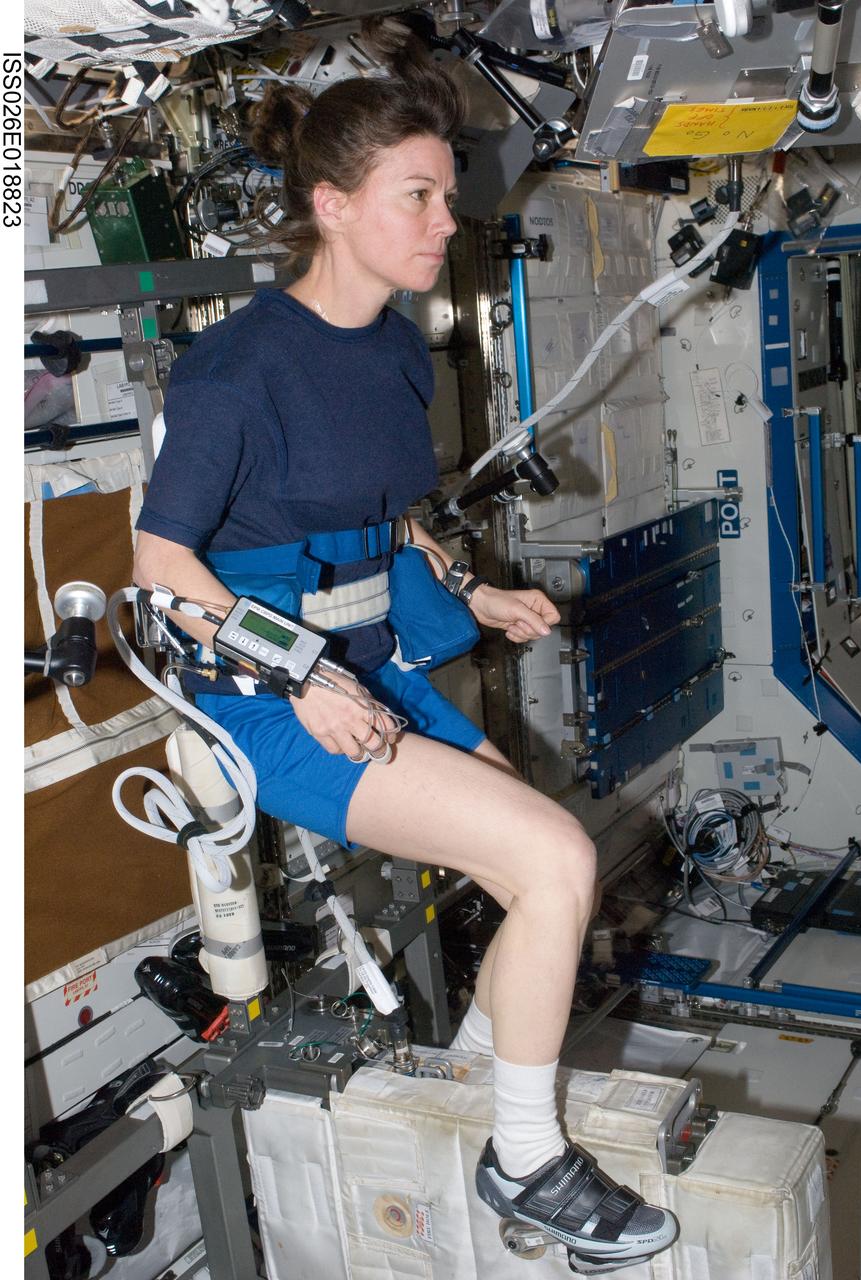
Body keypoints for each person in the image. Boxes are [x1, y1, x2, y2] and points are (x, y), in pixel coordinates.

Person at [133, 38, 678, 1271]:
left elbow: (390, 518)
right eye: (418, 196)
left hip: (367, 667)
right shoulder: (234, 368)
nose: (446, 220)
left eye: (445, 193)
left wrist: (473, 592)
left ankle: (482, 1074)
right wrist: (304, 677)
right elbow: (164, 569)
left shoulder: (386, 345)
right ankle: (527, 1160)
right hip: (264, 696)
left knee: (552, 851)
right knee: (545, 858)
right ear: (333, 206)